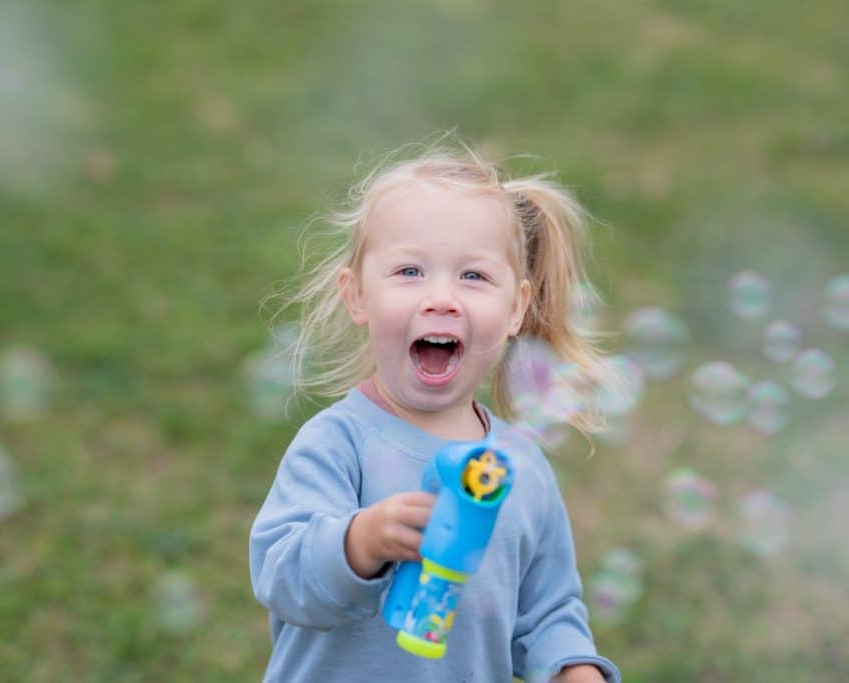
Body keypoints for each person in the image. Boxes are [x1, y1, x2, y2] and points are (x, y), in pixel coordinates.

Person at [249, 135, 622, 683]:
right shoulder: (338, 443)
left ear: (516, 308)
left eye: (473, 276)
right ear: (357, 297)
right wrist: (360, 541)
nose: (441, 297)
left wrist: (574, 668)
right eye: (409, 272)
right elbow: (283, 579)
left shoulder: (518, 469)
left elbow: (547, 610)